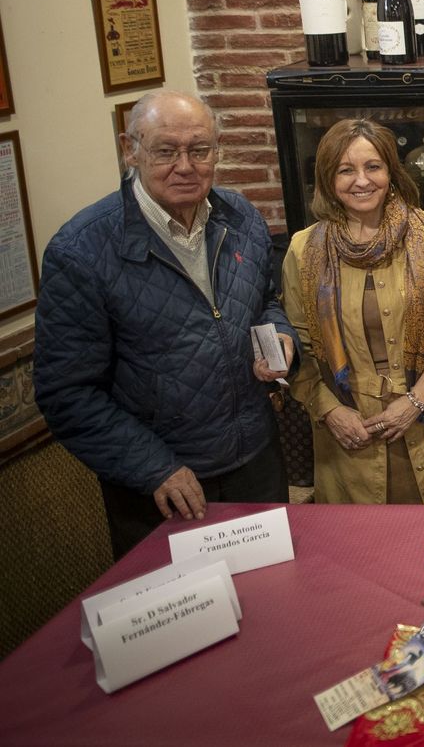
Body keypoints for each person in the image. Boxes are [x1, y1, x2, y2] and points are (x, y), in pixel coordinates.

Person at [34, 91, 293, 557]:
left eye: (199, 150)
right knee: (184, 623)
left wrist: (280, 335)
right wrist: (154, 468)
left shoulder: (242, 217)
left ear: (218, 150)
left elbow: (266, 303)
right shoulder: (81, 251)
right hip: (165, 484)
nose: (185, 166)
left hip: (256, 460)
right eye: (165, 151)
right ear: (130, 149)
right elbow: (66, 394)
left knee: (273, 600)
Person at [281, 119, 424, 505]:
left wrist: (414, 402)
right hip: (352, 434)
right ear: (328, 180)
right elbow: (301, 348)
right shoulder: (304, 250)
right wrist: (329, 412)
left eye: (373, 167)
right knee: (368, 555)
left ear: (391, 172)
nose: (361, 180)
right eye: (346, 170)